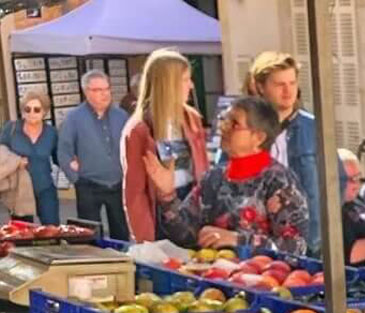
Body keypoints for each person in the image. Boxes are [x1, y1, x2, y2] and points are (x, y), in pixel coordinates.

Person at [144, 96, 309, 255]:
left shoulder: (279, 182)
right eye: (225, 120)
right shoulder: (214, 178)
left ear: (258, 137)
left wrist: (238, 240)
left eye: (234, 124)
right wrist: (167, 197)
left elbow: (294, 247)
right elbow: (184, 235)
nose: (224, 127)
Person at [121, 49, 210, 242]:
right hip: (159, 212)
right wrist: (145, 241)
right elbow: (135, 193)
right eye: (185, 79)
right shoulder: (138, 129)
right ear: (168, 84)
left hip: (193, 204)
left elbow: (204, 169)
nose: (191, 85)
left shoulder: (192, 118)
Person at [246, 51, 322, 256]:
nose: (288, 91)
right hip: (256, 240)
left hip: (308, 242)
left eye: (292, 83)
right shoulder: (242, 129)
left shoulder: (314, 127)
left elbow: (337, 182)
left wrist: (318, 233)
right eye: (280, 84)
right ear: (260, 87)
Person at [58, 70, 130, 240]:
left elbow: (131, 148)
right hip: (88, 186)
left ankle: (120, 264)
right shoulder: (74, 118)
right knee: (88, 235)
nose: (104, 94)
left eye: (107, 89)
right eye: (98, 90)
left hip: (118, 185)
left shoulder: (122, 116)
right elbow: (64, 151)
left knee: (121, 234)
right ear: (87, 92)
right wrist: (76, 179)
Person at [2, 89, 58, 224]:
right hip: (19, 189)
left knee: (52, 229)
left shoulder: (51, 133)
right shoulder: (11, 129)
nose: (31, 113)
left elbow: (59, 158)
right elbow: (1, 152)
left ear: (44, 112)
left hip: (44, 187)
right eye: (27, 109)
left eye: (37, 109)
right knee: (22, 232)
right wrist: (16, 161)